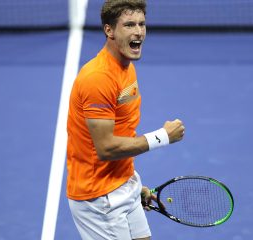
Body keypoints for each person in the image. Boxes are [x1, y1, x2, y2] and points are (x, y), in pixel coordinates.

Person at [66, 0, 185, 239]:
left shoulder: (126, 66)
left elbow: (123, 132)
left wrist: (131, 184)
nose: (138, 31)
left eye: (141, 24)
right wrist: (162, 137)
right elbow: (106, 148)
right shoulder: (98, 78)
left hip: (123, 182)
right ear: (109, 30)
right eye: (129, 24)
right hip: (99, 197)